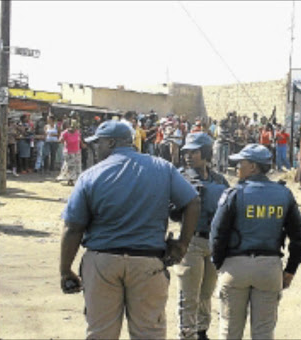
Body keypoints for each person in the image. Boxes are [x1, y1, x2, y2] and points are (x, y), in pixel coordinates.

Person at [60, 120, 200, 339]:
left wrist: (65, 269)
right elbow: (193, 202)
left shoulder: (90, 176)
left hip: (102, 263)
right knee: (149, 333)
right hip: (148, 263)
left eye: (99, 143)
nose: (96, 148)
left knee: (100, 332)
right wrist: (182, 245)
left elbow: (73, 228)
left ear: (112, 142)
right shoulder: (162, 168)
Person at [210, 144, 301, 339]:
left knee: (229, 330)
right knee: (263, 331)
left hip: (235, 266)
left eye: (241, 163)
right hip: (269, 268)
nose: (237, 168)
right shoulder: (284, 194)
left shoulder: (235, 194)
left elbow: (217, 233)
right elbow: (298, 237)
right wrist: (290, 270)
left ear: (253, 167)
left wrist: (219, 264)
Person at [174, 132, 230, 340]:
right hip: (191, 242)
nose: (188, 156)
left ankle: (201, 331)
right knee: (189, 295)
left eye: (194, 152)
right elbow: (171, 210)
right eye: (186, 152)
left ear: (206, 153)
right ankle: (187, 334)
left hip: (214, 243)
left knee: (206, 293)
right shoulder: (181, 177)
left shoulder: (219, 179)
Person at [57, 120, 82, 186]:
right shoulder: (65, 133)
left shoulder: (77, 132)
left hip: (77, 151)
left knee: (77, 166)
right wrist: (63, 140)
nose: (73, 129)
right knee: (71, 166)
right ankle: (71, 180)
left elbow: (79, 140)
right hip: (68, 152)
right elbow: (60, 140)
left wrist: (82, 145)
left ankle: (74, 179)